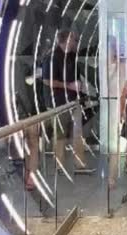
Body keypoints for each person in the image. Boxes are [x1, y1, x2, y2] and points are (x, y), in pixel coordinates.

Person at [42, 30, 95, 175]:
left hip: (73, 100)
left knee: (77, 132)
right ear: (66, 40)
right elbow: (48, 80)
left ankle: (80, 164)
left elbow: (76, 76)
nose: (76, 41)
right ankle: (59, 165)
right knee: (60, 134)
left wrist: (79, 88)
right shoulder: (51, 57)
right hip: (57, 102)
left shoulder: (72, 56)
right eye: (73, 39)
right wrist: (69, 85)